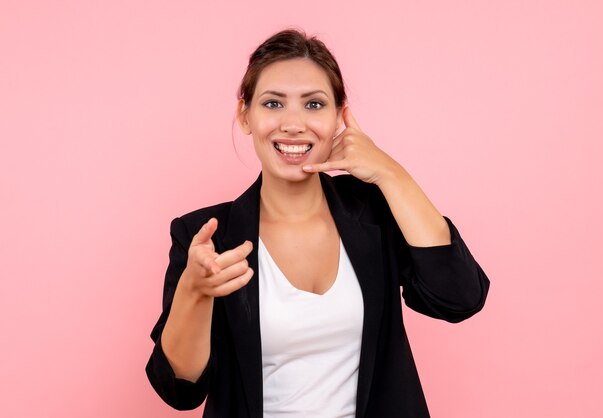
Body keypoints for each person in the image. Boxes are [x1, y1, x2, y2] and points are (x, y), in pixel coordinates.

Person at [146, 29, 490, 418]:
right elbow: (180, 390)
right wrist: (195, 290)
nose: (293, 123)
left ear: (340, 115)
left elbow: (460, 297)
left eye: (314, 105)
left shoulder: (374, 209)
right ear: (245, 116)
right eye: (273, 103)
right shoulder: (207, 236)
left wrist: (391, 174)